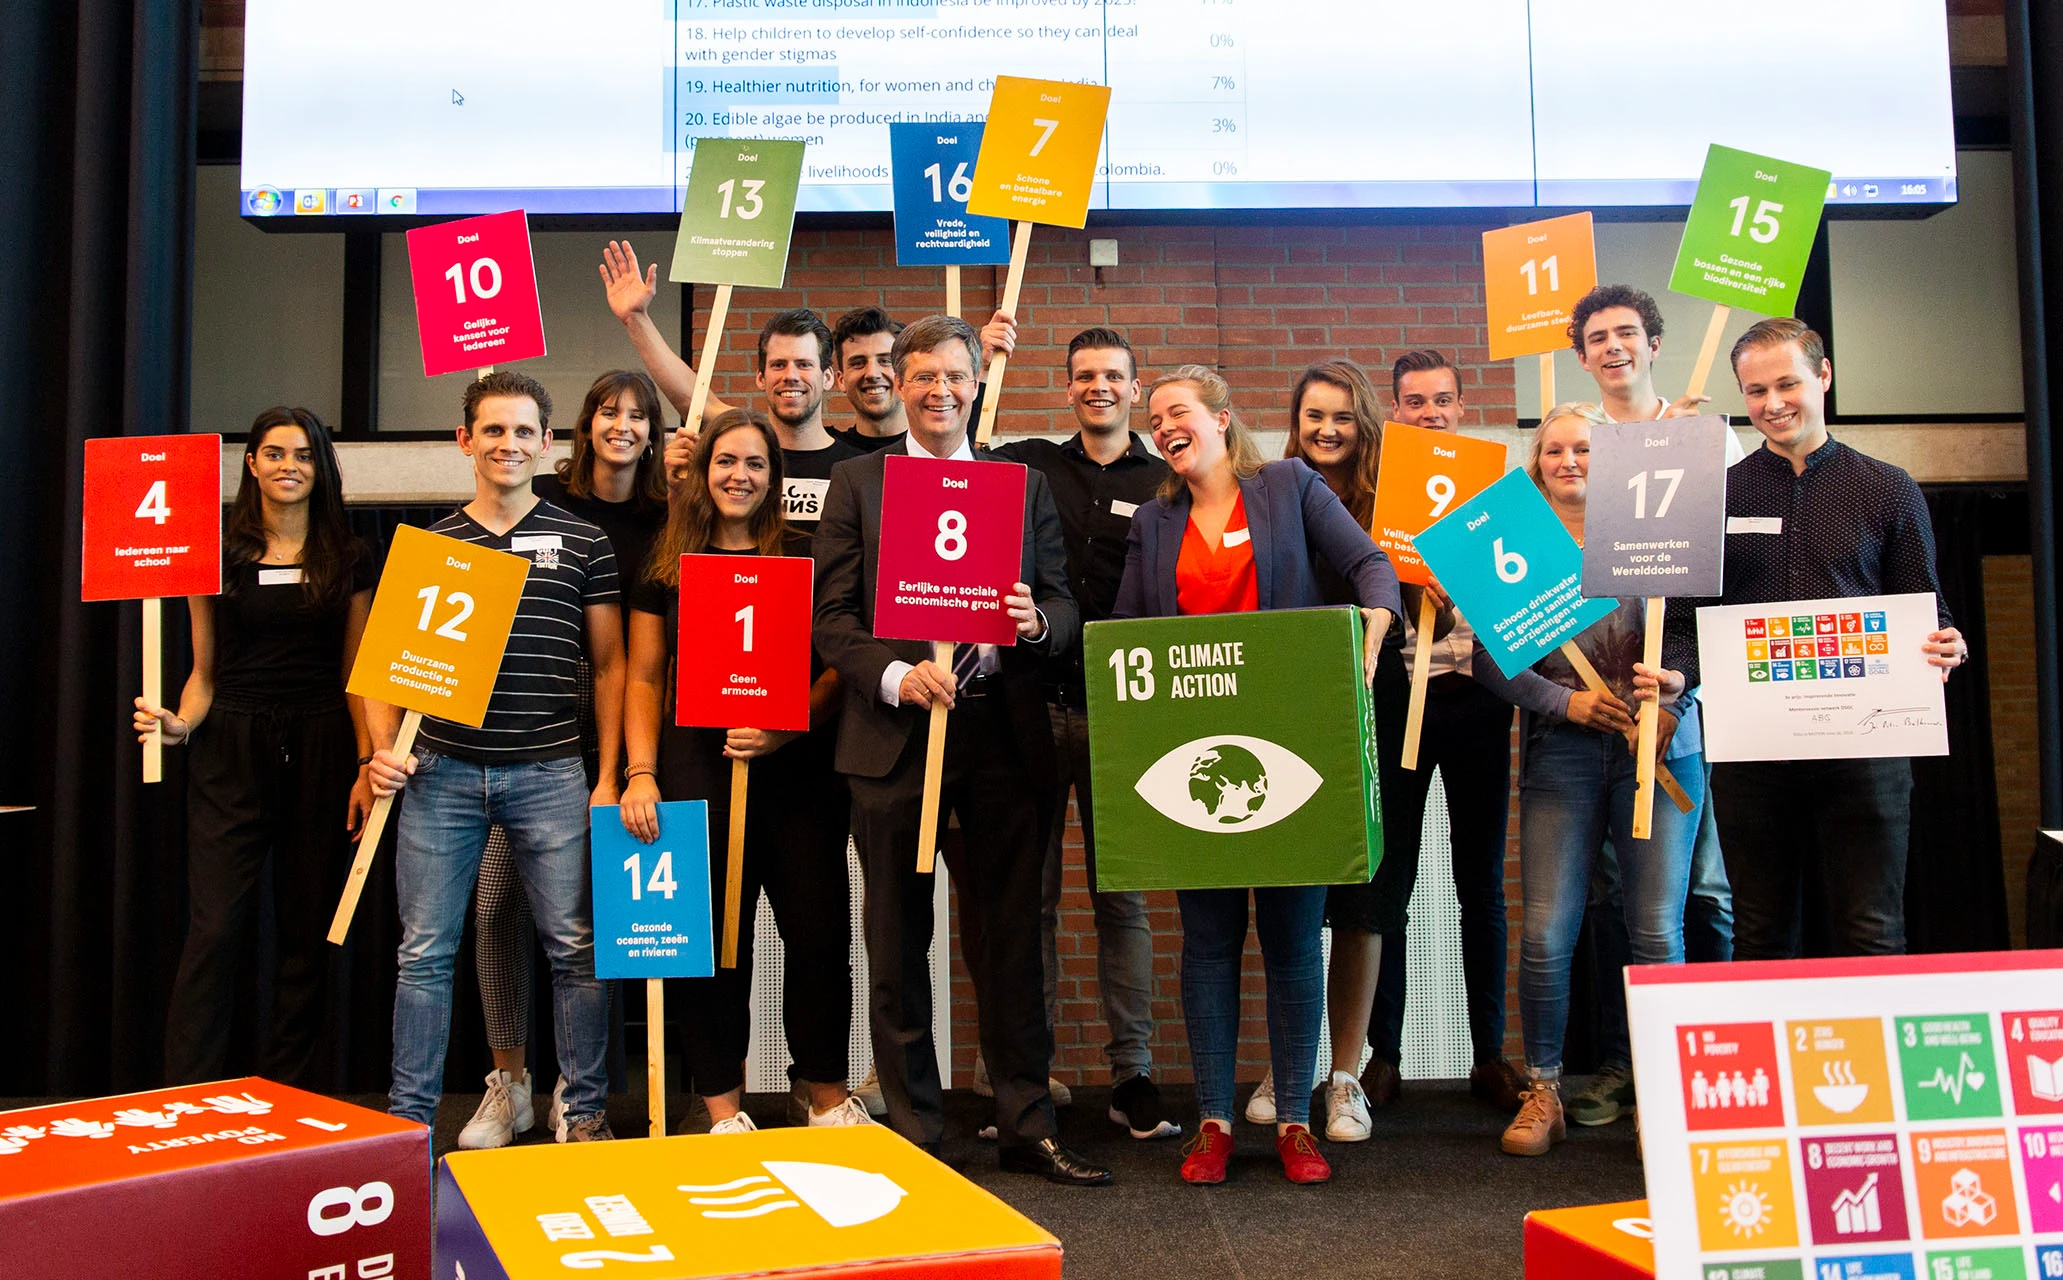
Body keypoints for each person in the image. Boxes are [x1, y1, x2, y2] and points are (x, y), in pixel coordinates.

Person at [813, 314, 1109, 1186]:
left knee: (1011, 943)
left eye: (954, 375)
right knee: (897, 943)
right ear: (897, 385)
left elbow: (1065, 606)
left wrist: (1037, 623)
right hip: (895, 738)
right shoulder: (857, 482)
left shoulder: (1019, 486)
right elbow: (831, 619)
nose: (939, 390)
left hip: (1002, 742)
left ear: (977, 384)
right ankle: (916, 1131)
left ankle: (1025, 1123)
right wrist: (895, 675)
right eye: (923, 376)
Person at [1112, 364, 1400, 1186]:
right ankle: (1212, 1122)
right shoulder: (1153, 521)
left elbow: (1370, 567)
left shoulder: (1288, 486)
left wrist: (1375, 621)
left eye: (1178, 411)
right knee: (1206, 945)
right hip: (1192, 758)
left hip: (1289, 746)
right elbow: (1124, 632)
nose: (1164, 426)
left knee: (1291, 945)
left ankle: (1296, 1124)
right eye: (1154, 419)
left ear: (1220, 418)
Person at [1635, 318, 1968, 959]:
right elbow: (1685, 622)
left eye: (1787, 384)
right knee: (1759, 933)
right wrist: (1677, 676)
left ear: (1824, 376)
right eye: (1755, 391)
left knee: (1872, 931)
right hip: (1754, 749)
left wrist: (1947, 644)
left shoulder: (1887, 487)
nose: (1773, 403)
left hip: (1866, 745)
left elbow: (1927, 609)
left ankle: (1876, 1033)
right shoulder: (1715, 497)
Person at [366, 370, 623, 1141]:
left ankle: (584, 1113)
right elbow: (383, 671)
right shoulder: (431, 547)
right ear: (464, 440)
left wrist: (610, 775)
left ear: (546, 443)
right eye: (492, 430)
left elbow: (610, 667)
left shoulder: (585, 542)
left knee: (575, 951)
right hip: (441, 775)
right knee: (423, 955)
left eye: (522, 431)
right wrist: (380, 751)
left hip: (551, 772)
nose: (507, 443)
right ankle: (409, 1128)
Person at [620, 408, 868, 1133]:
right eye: (725, 461)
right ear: (702, 472)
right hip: (697, 769)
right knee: (714, 945)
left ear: (774, 476)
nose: (740, 476)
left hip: (798, 774)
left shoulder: (807, 555)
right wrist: (640, 772)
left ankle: (825, 1096)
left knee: (819, 937)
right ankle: (722, 1108)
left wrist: (787, 727)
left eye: (755, 463)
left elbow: (837, 667)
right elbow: (642, 676)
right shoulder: (667, 563)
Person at [1472, 402, 1708, 1157]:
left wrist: (1675, 697)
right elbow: (1489, 661)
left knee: (1656, 928)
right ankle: (1543, 1091)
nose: (1569, 461)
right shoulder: (1515, 546)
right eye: (1554, 451)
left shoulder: (1654, 528)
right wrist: (1563, 701)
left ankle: (1660, 1093)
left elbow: (1699, 632)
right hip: (1563, 756)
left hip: (1661, 749)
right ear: (1535, 463)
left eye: (1584, 448)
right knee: (1546, 930)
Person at [459, 369, 670, 1149]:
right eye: (607, 412)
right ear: (579, 427)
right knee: (496, 906)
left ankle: (584, 1097)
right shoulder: (540, 497)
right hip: (529, 725)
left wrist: (624, 768)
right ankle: (510, 1081)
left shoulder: (667, 515)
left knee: (599, 922)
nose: (622, 426)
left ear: (654, 435)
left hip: (632, 729)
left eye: (638, 416)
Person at [135, 407, 376, 1088]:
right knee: (214, 928)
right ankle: (190, 1090)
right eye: (274, 453)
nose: (288, 466)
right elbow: (204, 673)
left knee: (307, 930)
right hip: (230, 746)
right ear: (251, 464)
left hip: (322, 744)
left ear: (320, 467)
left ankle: (290, 1089)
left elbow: (356, 672)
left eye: (303, 455)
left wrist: (365, 763)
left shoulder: (350, 556)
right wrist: (180, 725)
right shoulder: (214, 552)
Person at [979, 323, 1175, 1140]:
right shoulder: (1026, 465)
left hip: (1120, 713)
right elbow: (952, 450)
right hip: (1029, 706)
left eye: (1113, 375)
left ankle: (1132, 1074)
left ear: (1134, 389)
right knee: (1031, 900)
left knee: (1120, 898)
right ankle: (1032, 1074)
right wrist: (984, 361)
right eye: (1084, 374)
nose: (1098, 386)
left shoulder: (1164, 481)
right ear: (1067, 386)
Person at [1263, 358, 1451, 1144]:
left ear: (1365, 421)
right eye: (1313, 416)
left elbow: (1442, 605)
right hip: (1293, 708)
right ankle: (1287, 1065)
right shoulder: (1269, 495)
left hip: (1381, 704)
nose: (1327, 429)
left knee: (1368, 896)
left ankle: (1345, 1076)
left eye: (1342, 415)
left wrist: (1441, 591)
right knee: (1292, 898)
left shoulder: (1398, 501)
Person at [1565, 285, 1735, 1129]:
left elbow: (1725, 571)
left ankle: (1710, 1062)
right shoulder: (1575, 442)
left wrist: (1680, 687)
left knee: (1699, 891)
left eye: (1626, 332)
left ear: (1655, 343)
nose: (1612, 347)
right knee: (1608, 893)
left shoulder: (1706, 434)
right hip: (1602, 699)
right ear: (1580, 354)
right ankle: (1623, 1064)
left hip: (1685, 700)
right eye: (1596, 337)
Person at [1359, 351, 1527, 1118]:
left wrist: (1462, 599)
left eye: (1442, 400)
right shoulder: (1376, 497)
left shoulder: (1497, 495)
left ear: (1462, 408)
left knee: (1480, 885)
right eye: (1414, 402)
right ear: (1395, 412)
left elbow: (1524, 611)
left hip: (1478, 704)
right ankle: (1383, 1056)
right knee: (1387, 885)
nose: (1430, 413)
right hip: (1400, 704)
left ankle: (1488, 1053)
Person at [596, 244, 865, 528]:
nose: (791, 376)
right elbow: (694, 400)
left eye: (804, 364)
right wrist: (636, 318)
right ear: (760, 377)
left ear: (828, 377)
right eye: (778, 365)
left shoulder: (857, 469)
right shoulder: (737, 456)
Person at [828, 306, 908, 452]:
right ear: (841, 380)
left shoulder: (935, 451)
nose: (872, 374)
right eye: (858, 363)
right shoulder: (830, 458)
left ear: (905, 374)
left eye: (885, 361)